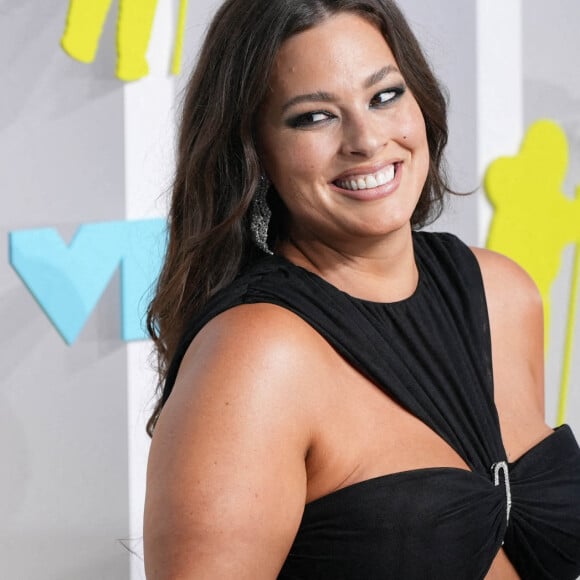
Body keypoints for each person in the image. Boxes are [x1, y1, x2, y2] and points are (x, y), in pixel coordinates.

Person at [143, 0, 580, 578]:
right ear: (255, 153)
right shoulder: (256, 356)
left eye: (384, 96)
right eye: (314, 117)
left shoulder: (504, 294)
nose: (367, 140)